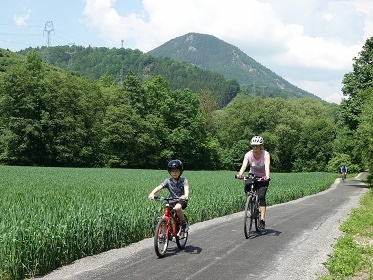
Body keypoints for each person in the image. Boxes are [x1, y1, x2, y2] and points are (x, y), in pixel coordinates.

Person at [236, 136, 270, 230]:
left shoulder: (265, 154)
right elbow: (244, 165)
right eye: (253, 146)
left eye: (257, 146)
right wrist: (240, 174)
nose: (255, 148)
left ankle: (262, 220)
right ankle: (250, 203)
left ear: (261, 146)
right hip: (252, 174)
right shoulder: (248, 155)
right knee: (247, 186)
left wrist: (267, 176)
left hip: (263, 177)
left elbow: (267, 166)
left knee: (262, 196)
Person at [148, 159, 190, 232]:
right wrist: (152, 193)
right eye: (172, 171)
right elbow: (159, 187)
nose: (174, 173)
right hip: (171, 200)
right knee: (164, 217)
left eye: (176, 171)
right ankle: (163, 234)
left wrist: (185, 195)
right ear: (169, 172)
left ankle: (184, 223)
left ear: (180, 171)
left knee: (177, 208)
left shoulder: (184, 181)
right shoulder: (168, 181)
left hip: (181, 200)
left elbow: (187, 188)